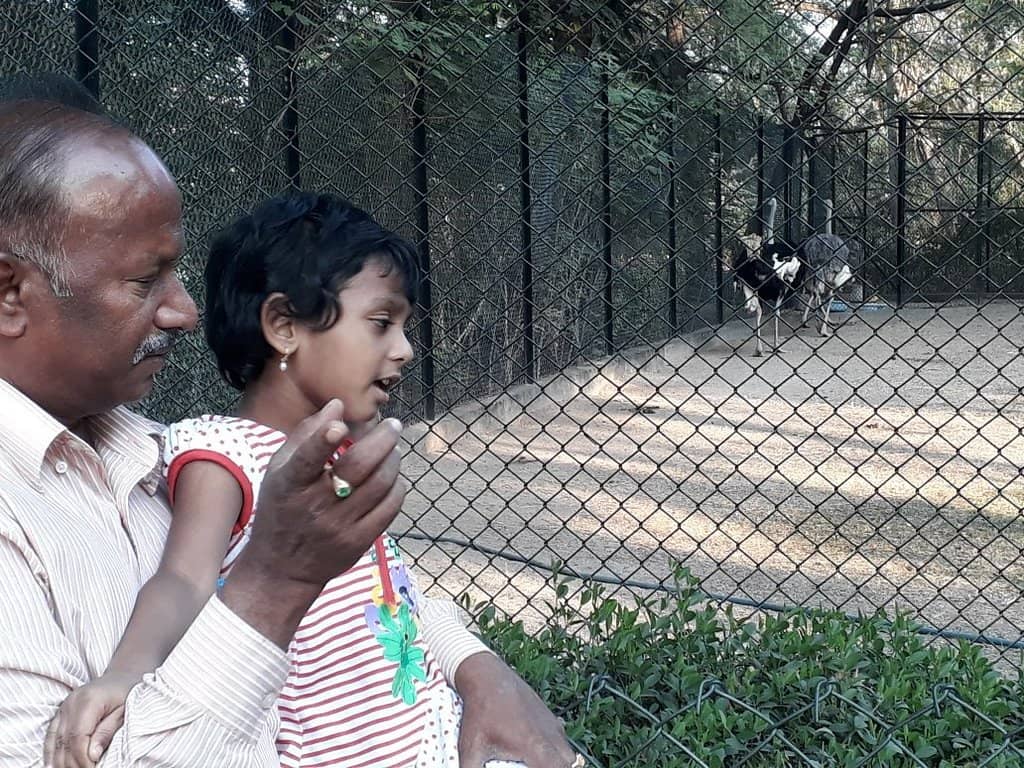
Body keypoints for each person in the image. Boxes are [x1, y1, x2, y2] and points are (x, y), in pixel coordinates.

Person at [0, 74, 576, 768]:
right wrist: (271, 582)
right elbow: (188, 585)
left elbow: (385, 589)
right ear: (10, 292)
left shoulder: (147, 446)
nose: (182, 312)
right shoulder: (213, 458)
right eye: (142, 279)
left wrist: (480, 668)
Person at [53, 192, 466, 767]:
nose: (404, 349)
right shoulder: (223, 450)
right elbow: (183, 581)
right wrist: (124, 676)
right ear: (283, 326)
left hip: (424, 731)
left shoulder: (344, 451)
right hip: (335, 750)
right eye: (380, 323)